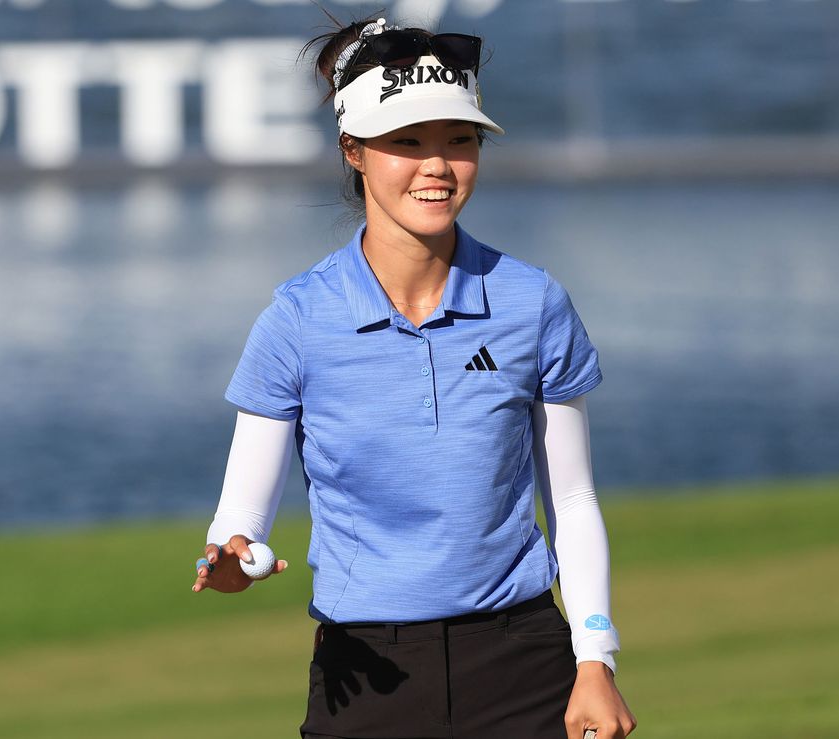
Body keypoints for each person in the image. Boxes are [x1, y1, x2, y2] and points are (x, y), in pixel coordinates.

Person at [192, 15, 636, 739]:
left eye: (459, 140)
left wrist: (596, 656)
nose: (438, 166)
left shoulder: (533, 302)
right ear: (354, 150)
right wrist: (233, 557)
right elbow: (241, 520)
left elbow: (574, 497)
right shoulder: (298, 319)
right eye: (407, 142)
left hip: (523, 659)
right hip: (366, 673)